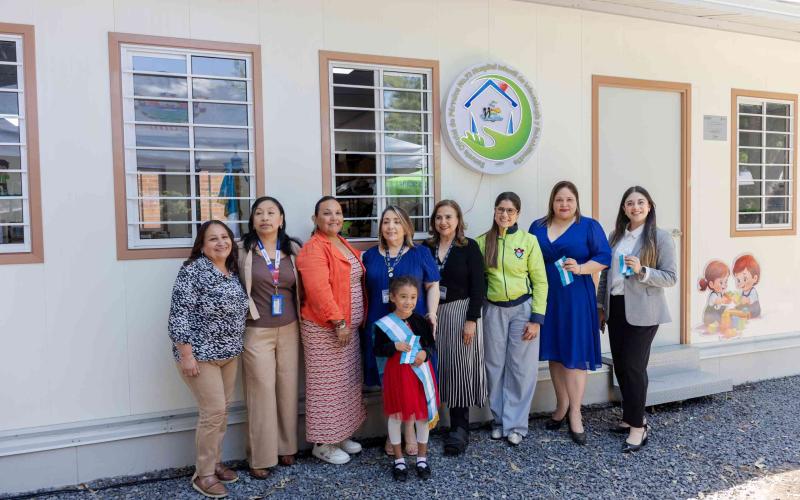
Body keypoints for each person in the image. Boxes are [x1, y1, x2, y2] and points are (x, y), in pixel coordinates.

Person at [168, 220, 249, 498]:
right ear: (202, 246)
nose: (221, 243)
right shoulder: (192, 271)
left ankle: (215, 462)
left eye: (225, 237)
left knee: (222, 412)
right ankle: (203, 474)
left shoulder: (231, 270)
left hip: (229, 354)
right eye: (213, 239)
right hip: (200, 355)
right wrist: (186, 354)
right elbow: (179, 314)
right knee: (212, 412)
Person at [529, 181, 611, 445]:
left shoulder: (588, 226)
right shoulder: (537, 227)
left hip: (576, 298)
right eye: (559, 199)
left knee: (575, 355)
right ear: (551, 202)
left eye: (569, 200)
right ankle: (561, 406)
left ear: (576, 202)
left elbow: (604, 257)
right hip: (547, 299)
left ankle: (576, 412)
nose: (564, 204)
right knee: (555, 353)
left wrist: (582, 267)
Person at [597, 186, 677, 452]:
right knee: (621, 366)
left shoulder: (660, 238)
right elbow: (607, 275)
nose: (635, 207)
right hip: (616, 307)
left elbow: (670, 277)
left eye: (641, 202)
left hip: (644, 310)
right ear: (623, 209)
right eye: (630, 203)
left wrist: (642, 270)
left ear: (650, 206)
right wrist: (600, 305)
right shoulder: (615, 236)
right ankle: (630, 417)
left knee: (633, 366)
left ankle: (638, 427)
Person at [362, 205, 440, 455]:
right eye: (386, 221)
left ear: (406, 226)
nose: (391, 227)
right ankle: (394, 431)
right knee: (390, 378)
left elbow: (433, 286)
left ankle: (408, 432)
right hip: (381, 326)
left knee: (410, 377)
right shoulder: (370, 256)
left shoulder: (421, 253)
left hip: (411, 325)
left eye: (396, 221)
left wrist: (432, 314)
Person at [296, 196, 367, 465]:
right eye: (327, 213)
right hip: (327, 329)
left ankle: (339, 434)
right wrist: (338, 322)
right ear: (315, 219)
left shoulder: (341, 242)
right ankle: (322, 443)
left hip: (347, 328)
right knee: (325, 387)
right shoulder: (314, 248)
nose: (334, 218)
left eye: (338, 213)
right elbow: (318, 291)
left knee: (345, 384)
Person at [237, 197, 303, 478]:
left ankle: (287, 445)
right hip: (256, 329)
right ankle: (261, 456)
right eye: (259, 213)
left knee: (288, 387)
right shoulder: (242, 250)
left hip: (289, 327)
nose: (265, 217)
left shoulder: (293, 249)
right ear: (252, 220)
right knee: (261, 391)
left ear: (281, 218)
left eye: (271, 212)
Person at [477, 192, 548, 446]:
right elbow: (478, 280)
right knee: (493, 367)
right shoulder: (483, 242)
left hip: (522, 311)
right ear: (494, 211)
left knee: (521, 369)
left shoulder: (528, 241)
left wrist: (536, 318)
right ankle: (499, 420)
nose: (504, 215)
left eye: (510, 210)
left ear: (518, 213)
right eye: (500, 209)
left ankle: (516, 424)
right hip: (493, 311)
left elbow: (540, 281)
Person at [423, 200, 486, 455]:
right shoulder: (426, 248)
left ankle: (459, 429)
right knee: (437, 367)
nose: (443, 222)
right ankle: (429, 423)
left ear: (458, 220)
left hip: (461, 312)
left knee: (460, 368)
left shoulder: (468, 247)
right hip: (433, 314)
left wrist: (472, 319)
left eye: (448, 217)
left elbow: (479, 286)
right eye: (439, 217)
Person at [374, 276, 439, 481]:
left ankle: (421, 457)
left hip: (419, 375)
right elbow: (378, 349)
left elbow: (430, 346)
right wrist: (394, 346)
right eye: (403, 297)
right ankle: (399, 460)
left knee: (421, 416)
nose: (408, 301)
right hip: (397, 376)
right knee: (396, 416)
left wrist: (425, 354)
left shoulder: (420, 321)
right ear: (392, 297)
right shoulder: (384, 325)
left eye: (412, 297)